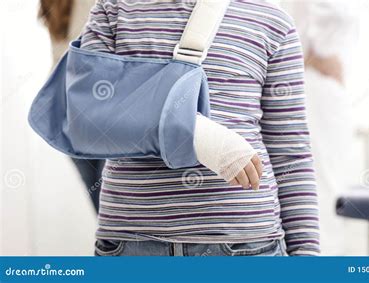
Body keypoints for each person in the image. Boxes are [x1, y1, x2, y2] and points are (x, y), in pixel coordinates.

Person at [81, 0, 318, 256]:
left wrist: (306, 254)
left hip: (246, 244)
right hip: (132, 243)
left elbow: (290, 154)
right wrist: (200, 135)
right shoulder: (114, 10)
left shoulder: (273, 21)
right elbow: (88, 117)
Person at [283, 1, 359, 255]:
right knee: (321, 188)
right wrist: (319, 56)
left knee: (325, 186)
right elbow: (331, 13)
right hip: (314, 85)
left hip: (317, 85)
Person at [38, 0, 103, 213]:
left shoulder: (54, 4)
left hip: (66, 116)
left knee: (102, 208)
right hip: (98, 114)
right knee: (115, 209)